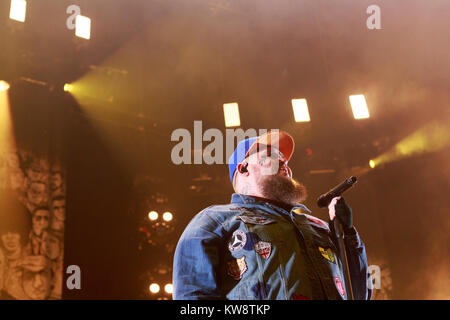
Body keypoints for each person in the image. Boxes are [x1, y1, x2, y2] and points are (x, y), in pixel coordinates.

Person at [173, 130, 371, 300]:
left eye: (284, 160)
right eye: (271, 157)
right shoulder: (215, 220)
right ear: (243, 168)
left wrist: (347, 235)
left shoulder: (318, 226)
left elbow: (360, 293)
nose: (284, 163)